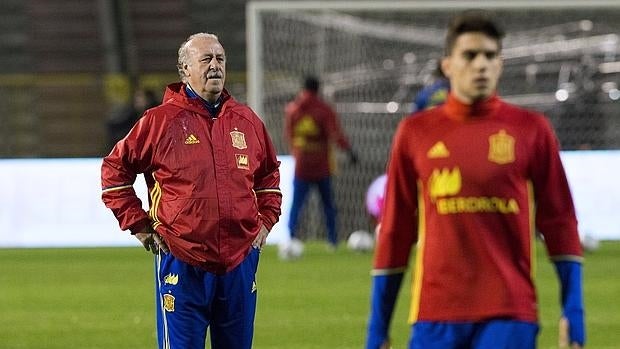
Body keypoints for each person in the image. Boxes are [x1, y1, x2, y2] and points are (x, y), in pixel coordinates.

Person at [366, 10, 585, 349]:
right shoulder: (415, 132)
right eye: (470, 55)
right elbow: (395, 230)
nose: (481, 64)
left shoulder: (531, 129)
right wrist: (377, 327)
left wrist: (574, 310)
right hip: (434, 314)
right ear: (448, 65)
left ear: (500, 63)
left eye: (490, 55)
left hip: (509, 314)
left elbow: (560, 221)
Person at [101, 33, 282, 349]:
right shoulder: (158, 122)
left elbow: (268, 176)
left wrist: (266, 221)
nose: (215, 66)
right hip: (182, 260)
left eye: (220, 59)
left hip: (239, 262)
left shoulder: (247, 121)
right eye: (206, 59)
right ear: (185, 69)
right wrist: (140, 226)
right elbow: (115, 171)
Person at [285, 75, 358, 249]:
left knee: (297, 204)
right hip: (321, 164)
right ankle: (332, 241)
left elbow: (289, 135)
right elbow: (335, 134)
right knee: (328, 205)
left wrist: (298, 149)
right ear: (318, 89)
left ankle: (290, 238)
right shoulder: (324, 110)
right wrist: (349, 151)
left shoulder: (293, 109)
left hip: (302, 163)